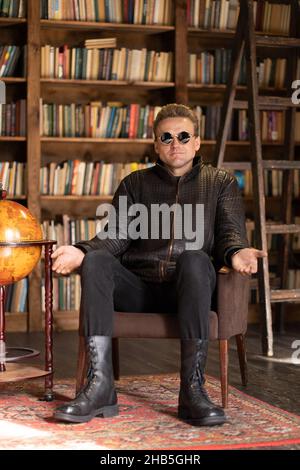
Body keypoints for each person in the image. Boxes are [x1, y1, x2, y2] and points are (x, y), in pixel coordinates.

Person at [52, 103, 267, 427]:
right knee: (96, 260)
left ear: (197, 142)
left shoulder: (220, 182)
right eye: (166, 137)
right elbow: (115, 236)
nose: (175, 144)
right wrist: (81, 252)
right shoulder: (135, 184)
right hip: (139, 289)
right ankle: (99, 388)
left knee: (194, 257)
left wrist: (237, 253)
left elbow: (229, 234)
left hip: (190, 290)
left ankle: (192, 390)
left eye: (183, 136)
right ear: (155, 144)